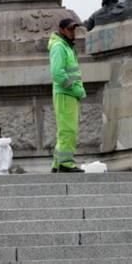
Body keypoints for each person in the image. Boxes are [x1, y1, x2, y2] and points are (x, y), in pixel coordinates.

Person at [49, 18, 86, 173]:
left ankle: (58, 163)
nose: (73, 32)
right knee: (68, 130)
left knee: (65, 130)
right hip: (66, 93)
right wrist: (74, 89)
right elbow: (58, 74)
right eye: (70, 29)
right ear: (62, 30)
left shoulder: (66, 47)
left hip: (68, 94)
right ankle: (66, 163)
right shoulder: (59, 47)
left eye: (74, 29)